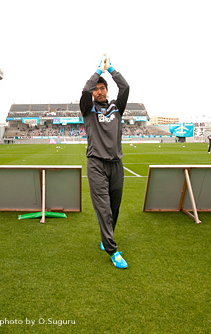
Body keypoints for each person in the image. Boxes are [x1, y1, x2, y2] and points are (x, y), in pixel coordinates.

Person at [79, 55, 130, 269]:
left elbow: (125, 87)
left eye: (102, 88)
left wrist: (112, 70)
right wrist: (98, 71)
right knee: (104, 209)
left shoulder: (117, 108)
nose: (99, 91)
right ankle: (112, 250)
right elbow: (84, 91)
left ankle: (106, 236)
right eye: (96, 88)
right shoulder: (87, 109)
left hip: (116, 164)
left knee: (115, 207)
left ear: (107, 90)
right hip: (96, 164)